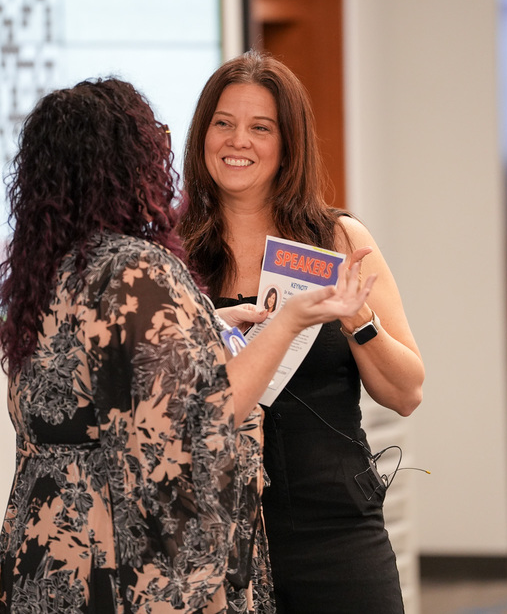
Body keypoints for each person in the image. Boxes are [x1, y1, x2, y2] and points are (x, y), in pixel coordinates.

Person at [0, 77, 375, 613]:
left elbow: (107, 380)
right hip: (117, 560)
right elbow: (205, 415)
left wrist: (204, 324)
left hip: (48, 555)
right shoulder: (136, 269)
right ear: (129, 163)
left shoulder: (52, 273)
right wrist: (288, 322)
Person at [178, 52, 425, 614]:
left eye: (260, 128)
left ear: (288, 143)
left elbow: (407, 392)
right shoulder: (171, 252)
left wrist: (355, 318)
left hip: (333, 529)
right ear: (202, 135)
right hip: (209, 535)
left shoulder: (336, 239)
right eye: (223, 123)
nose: (237, 141)